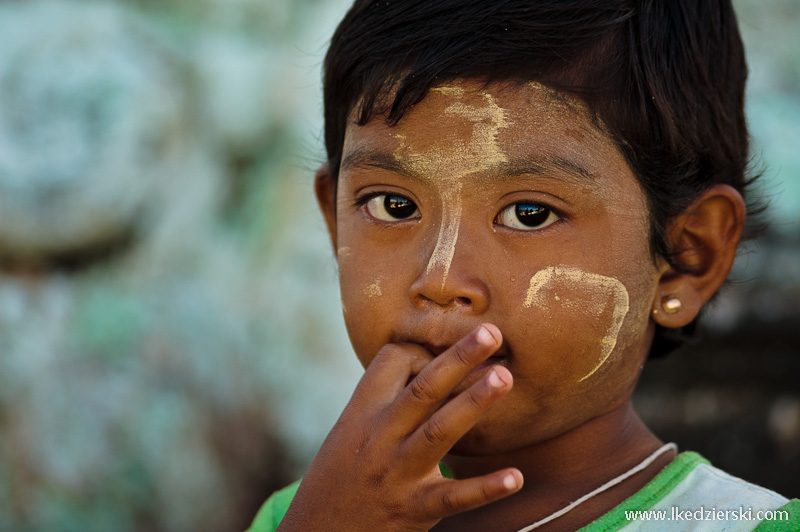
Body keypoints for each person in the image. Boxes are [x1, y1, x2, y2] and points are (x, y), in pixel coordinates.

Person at [249, 1, 799, 530]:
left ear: (687, 258)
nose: (439, 280)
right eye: (393, 206)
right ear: (333, 223)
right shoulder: (303, 516)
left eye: (529, 213)